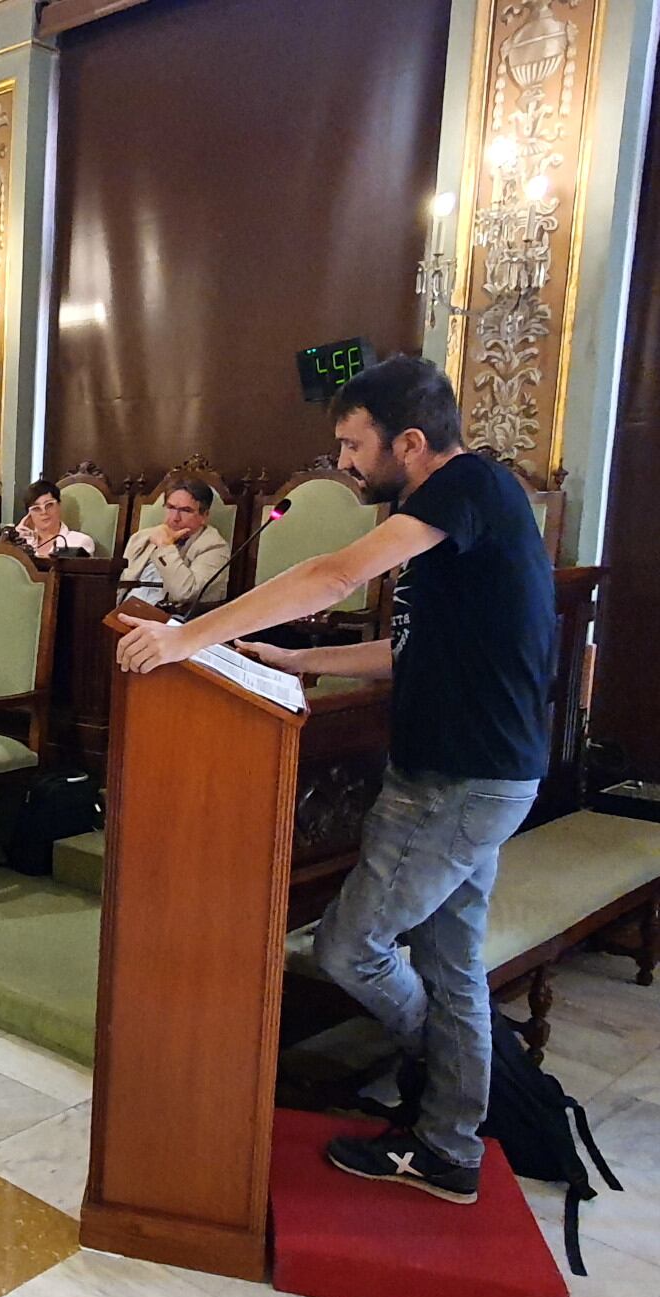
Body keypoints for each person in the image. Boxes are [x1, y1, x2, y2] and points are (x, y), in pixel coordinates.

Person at [116, 355, 556, 1204]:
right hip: (474, 775)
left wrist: (188, 637)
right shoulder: (466, 515)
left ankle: (458, 1087)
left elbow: (333, 574)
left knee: (351, 948)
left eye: (355, 444)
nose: (345, 464)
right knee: (453, 965)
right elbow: (413, 654)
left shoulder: (464, 490)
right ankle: (451, 1147)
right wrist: (297, 657)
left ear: (413, 442)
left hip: (458, 783)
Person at [119, 478, 231, 607]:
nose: (175, 518)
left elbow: (185, 593)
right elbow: (118, 587)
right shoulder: (141, 538)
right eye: (171, 507)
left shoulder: (214, 547)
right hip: (121, 614)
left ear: (204, 516)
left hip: (167, 621)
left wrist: (165, 547)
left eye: (186, 510)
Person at [17, 479, 97, 557]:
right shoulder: (21, 543)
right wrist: (16, 536)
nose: (44, 512)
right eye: (36, 508)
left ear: (59, 505)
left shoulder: (80, 542)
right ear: (29, 515)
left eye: (49, 505)